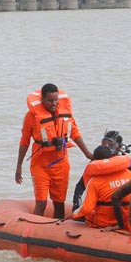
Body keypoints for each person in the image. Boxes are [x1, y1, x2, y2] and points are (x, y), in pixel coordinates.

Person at [14, 83, 93, 219]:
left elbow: (75, 134)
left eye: (56, 100)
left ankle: (56, 232)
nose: (54, 103)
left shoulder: (65, 114)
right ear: (43, 100)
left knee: (59, 204)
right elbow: (24, 142)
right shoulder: (31, 117)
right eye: (50, 100)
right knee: (41, 203)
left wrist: (88, 154)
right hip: (40, 165)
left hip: (61, 165)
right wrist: (19, 166)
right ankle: (34, 232)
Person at [73, 130, 131, 209]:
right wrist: (76, 205)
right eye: (104, 143)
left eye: (111, 145)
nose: (106, 147)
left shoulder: (130, 165)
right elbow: (80, 186)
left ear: (119, 147)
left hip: (122, 207)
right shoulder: (95, 164)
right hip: (101, 206)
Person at [71, 145, 131, 228]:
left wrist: (75, 215)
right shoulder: (129, 174)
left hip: (103, 222)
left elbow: (87, 208)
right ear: (112, 157)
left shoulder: (95, 181)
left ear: (94, 160)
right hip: (126, 220)